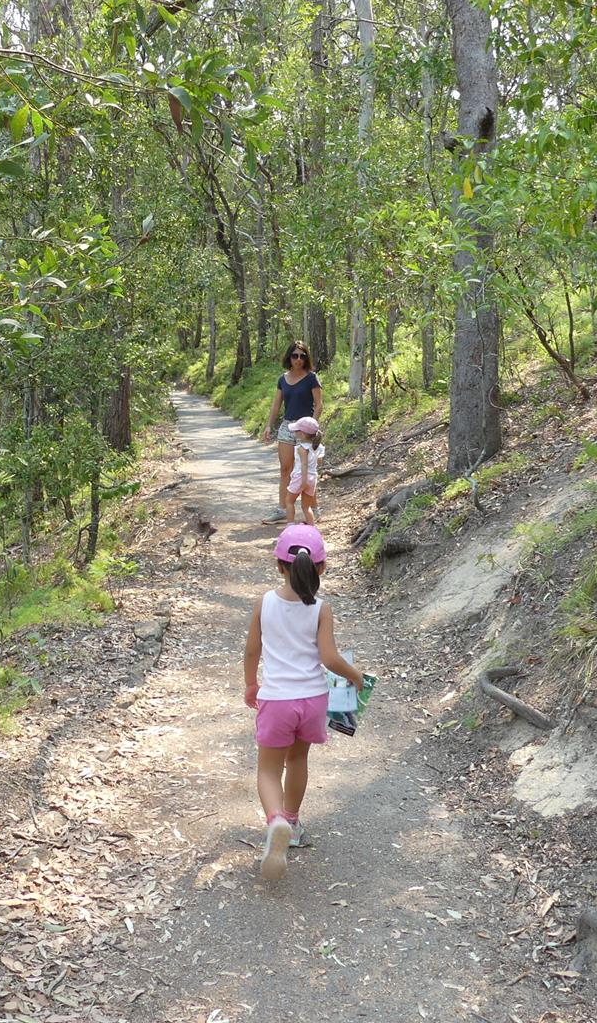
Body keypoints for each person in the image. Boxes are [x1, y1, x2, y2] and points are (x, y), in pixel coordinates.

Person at [243, 523, 363, 881]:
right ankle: (292, 824)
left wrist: (251, 684)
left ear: (279, 566)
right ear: (321, 568)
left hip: (277, 699)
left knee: (268, 769)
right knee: (298, 759)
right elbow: (329, 658)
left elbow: (252, 650)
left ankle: (275, 820)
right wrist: (355, 675)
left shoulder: (263, 603)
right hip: (312, 700)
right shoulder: (321, 609)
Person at [263, 342, 323, 523]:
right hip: (288, 428)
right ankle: (282, 509)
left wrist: (311, 426)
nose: (298, 359)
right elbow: (276, 405)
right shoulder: (283, 379)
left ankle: (314, 508)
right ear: (289, 357)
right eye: (295, 355)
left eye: (302, 356)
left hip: (306, 430)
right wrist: (268, 425)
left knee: (308, 471)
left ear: (306, 358)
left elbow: (319, 404)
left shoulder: (311, 378)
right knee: (286, 469)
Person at [285, 416, 323, 524]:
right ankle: (312, 529)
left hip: (301, 477)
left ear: (301, 434)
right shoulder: (318, 447)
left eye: (296, 431)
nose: (294, 433)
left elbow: (304, 464)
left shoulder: (301, 448)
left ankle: (290, 525)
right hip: (313, 477)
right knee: (306, 507)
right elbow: (320, 462)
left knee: (289, 501)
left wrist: (303, 482)